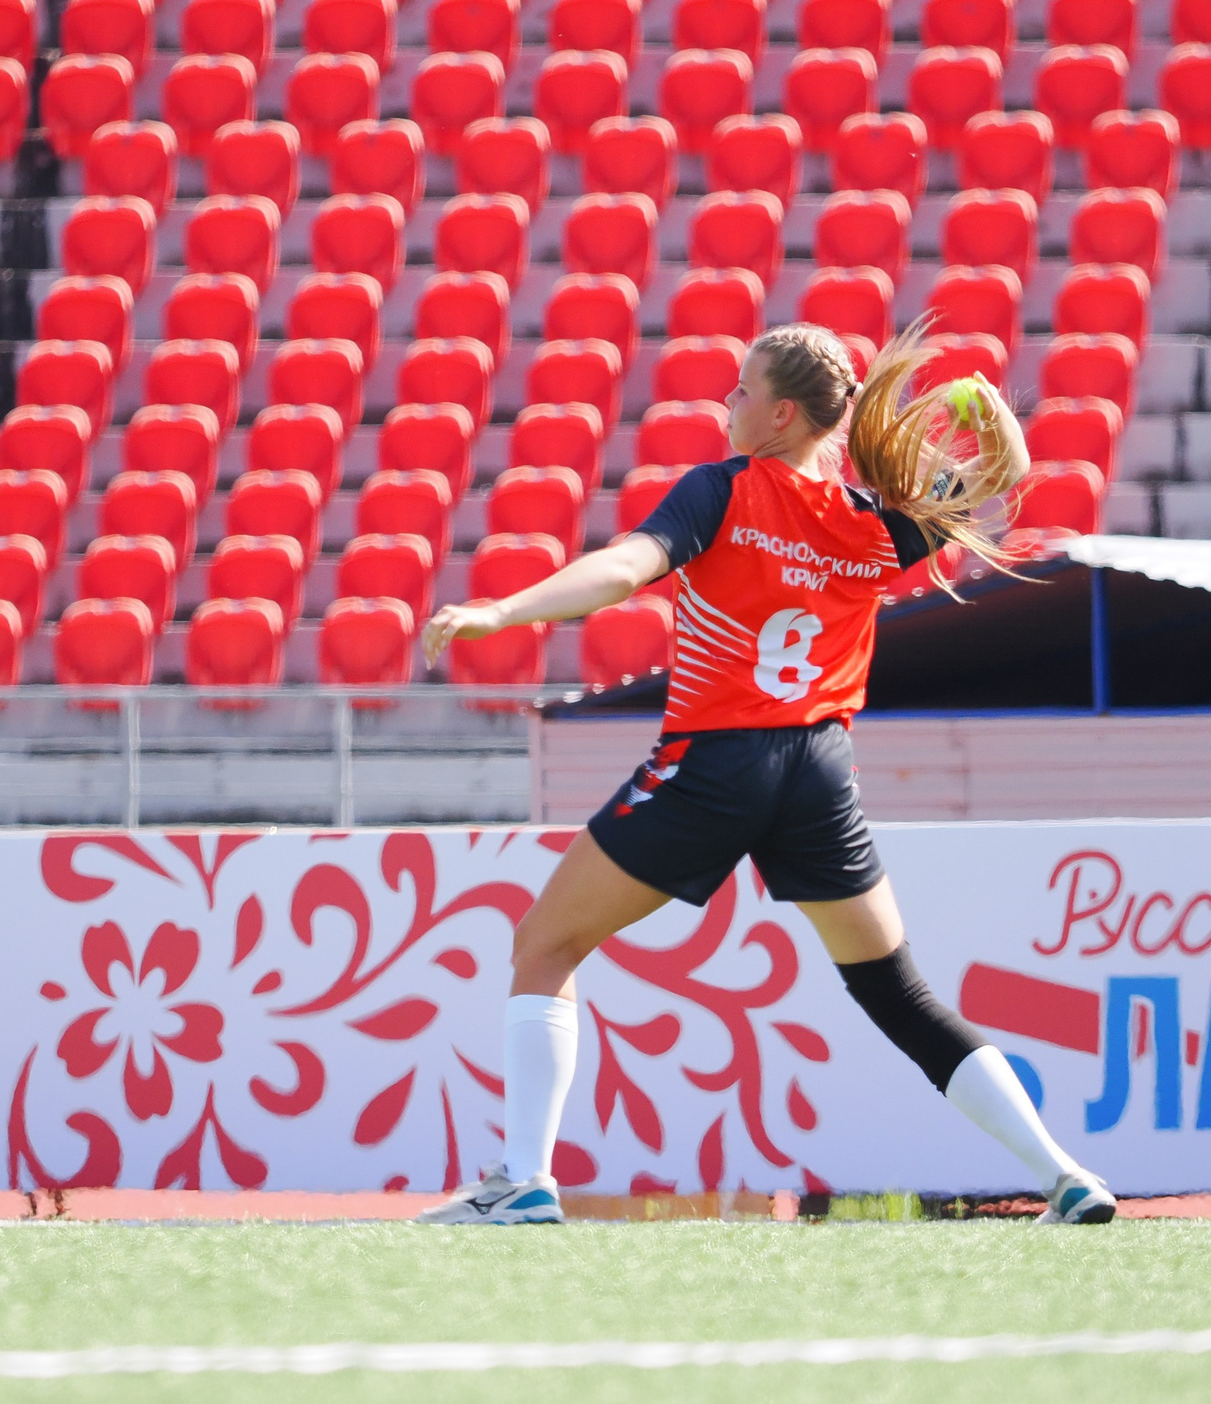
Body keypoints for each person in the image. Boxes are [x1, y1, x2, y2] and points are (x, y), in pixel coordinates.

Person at [414, 323, 1117, 1226]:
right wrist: (987, 416)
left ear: (783, 415)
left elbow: (626, 569)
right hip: (820, 772)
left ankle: (524, 1181)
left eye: (741, 391)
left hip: (718, 760)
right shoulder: (874, 523)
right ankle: (1066, 1175)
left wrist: (503, 609)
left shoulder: (724, 490)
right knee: (899, 992)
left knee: (543, 945)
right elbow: (994, 482)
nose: (728, 405)